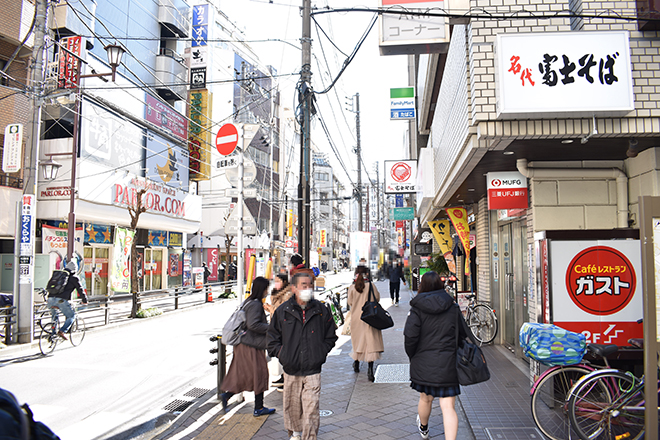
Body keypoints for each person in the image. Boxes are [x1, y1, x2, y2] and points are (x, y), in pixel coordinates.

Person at [267, 272, 338, 440]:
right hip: (291, 369)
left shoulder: (321, 310)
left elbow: (331, 336)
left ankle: (309, 437)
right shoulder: (283, 311)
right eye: (304, 285)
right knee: (292, 406)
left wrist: (320, 352)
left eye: (310, 285)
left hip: (313, 369)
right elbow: (272, 339)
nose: (308, 288)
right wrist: (283, 354)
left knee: (311, 408)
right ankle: (296, 434)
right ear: (294, 288)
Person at [404, 271, 468, 440]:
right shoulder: (452, 306)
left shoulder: (417, 308)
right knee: (448, 407)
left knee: (425, 399)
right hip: (448, 362)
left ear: (422, 285)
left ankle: (424, 429)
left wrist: (414, 357)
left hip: (424, 363)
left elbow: (410, 337)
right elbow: (463, 333)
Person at [220, 277, 276, 417]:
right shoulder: (255, 304)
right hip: (251, 345)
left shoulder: (248, 301)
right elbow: (253, 325)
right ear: (262, 289)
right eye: (266, 288)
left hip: (244, 344)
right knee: (259, 373)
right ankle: (258, 407)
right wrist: (271, 327)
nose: (267, 291)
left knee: (245, 374)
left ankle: (227, 396)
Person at [347, 265, 384, 382]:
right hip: (370, 317)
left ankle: (356, 364)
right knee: (370, 343)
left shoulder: (352, 287)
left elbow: (350, 302)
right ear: (367, 274)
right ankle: (370, 370)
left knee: (358, 343)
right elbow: (377, 298)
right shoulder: (371, 286)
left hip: (357, 318)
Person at [264, 273, 291, 390]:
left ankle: (286, 377)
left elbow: (285, 313)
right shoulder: (276, 294)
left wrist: (271, 309)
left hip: (285, 329)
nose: (276, 283)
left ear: (284, 282)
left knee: (285, 353)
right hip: (277, 328)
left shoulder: (288, 295)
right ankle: (283, 376)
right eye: (275, 281)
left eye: (278, 281)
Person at [47, 261, 88, 340]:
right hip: (61, 300)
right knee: (71, 316)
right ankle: (62, 331)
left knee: (54, 316)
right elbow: (80, 289)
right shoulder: (74, 277)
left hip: (50, 299)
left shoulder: (59, 275)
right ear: (75, 269)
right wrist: (84, 300)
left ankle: (53, 334)